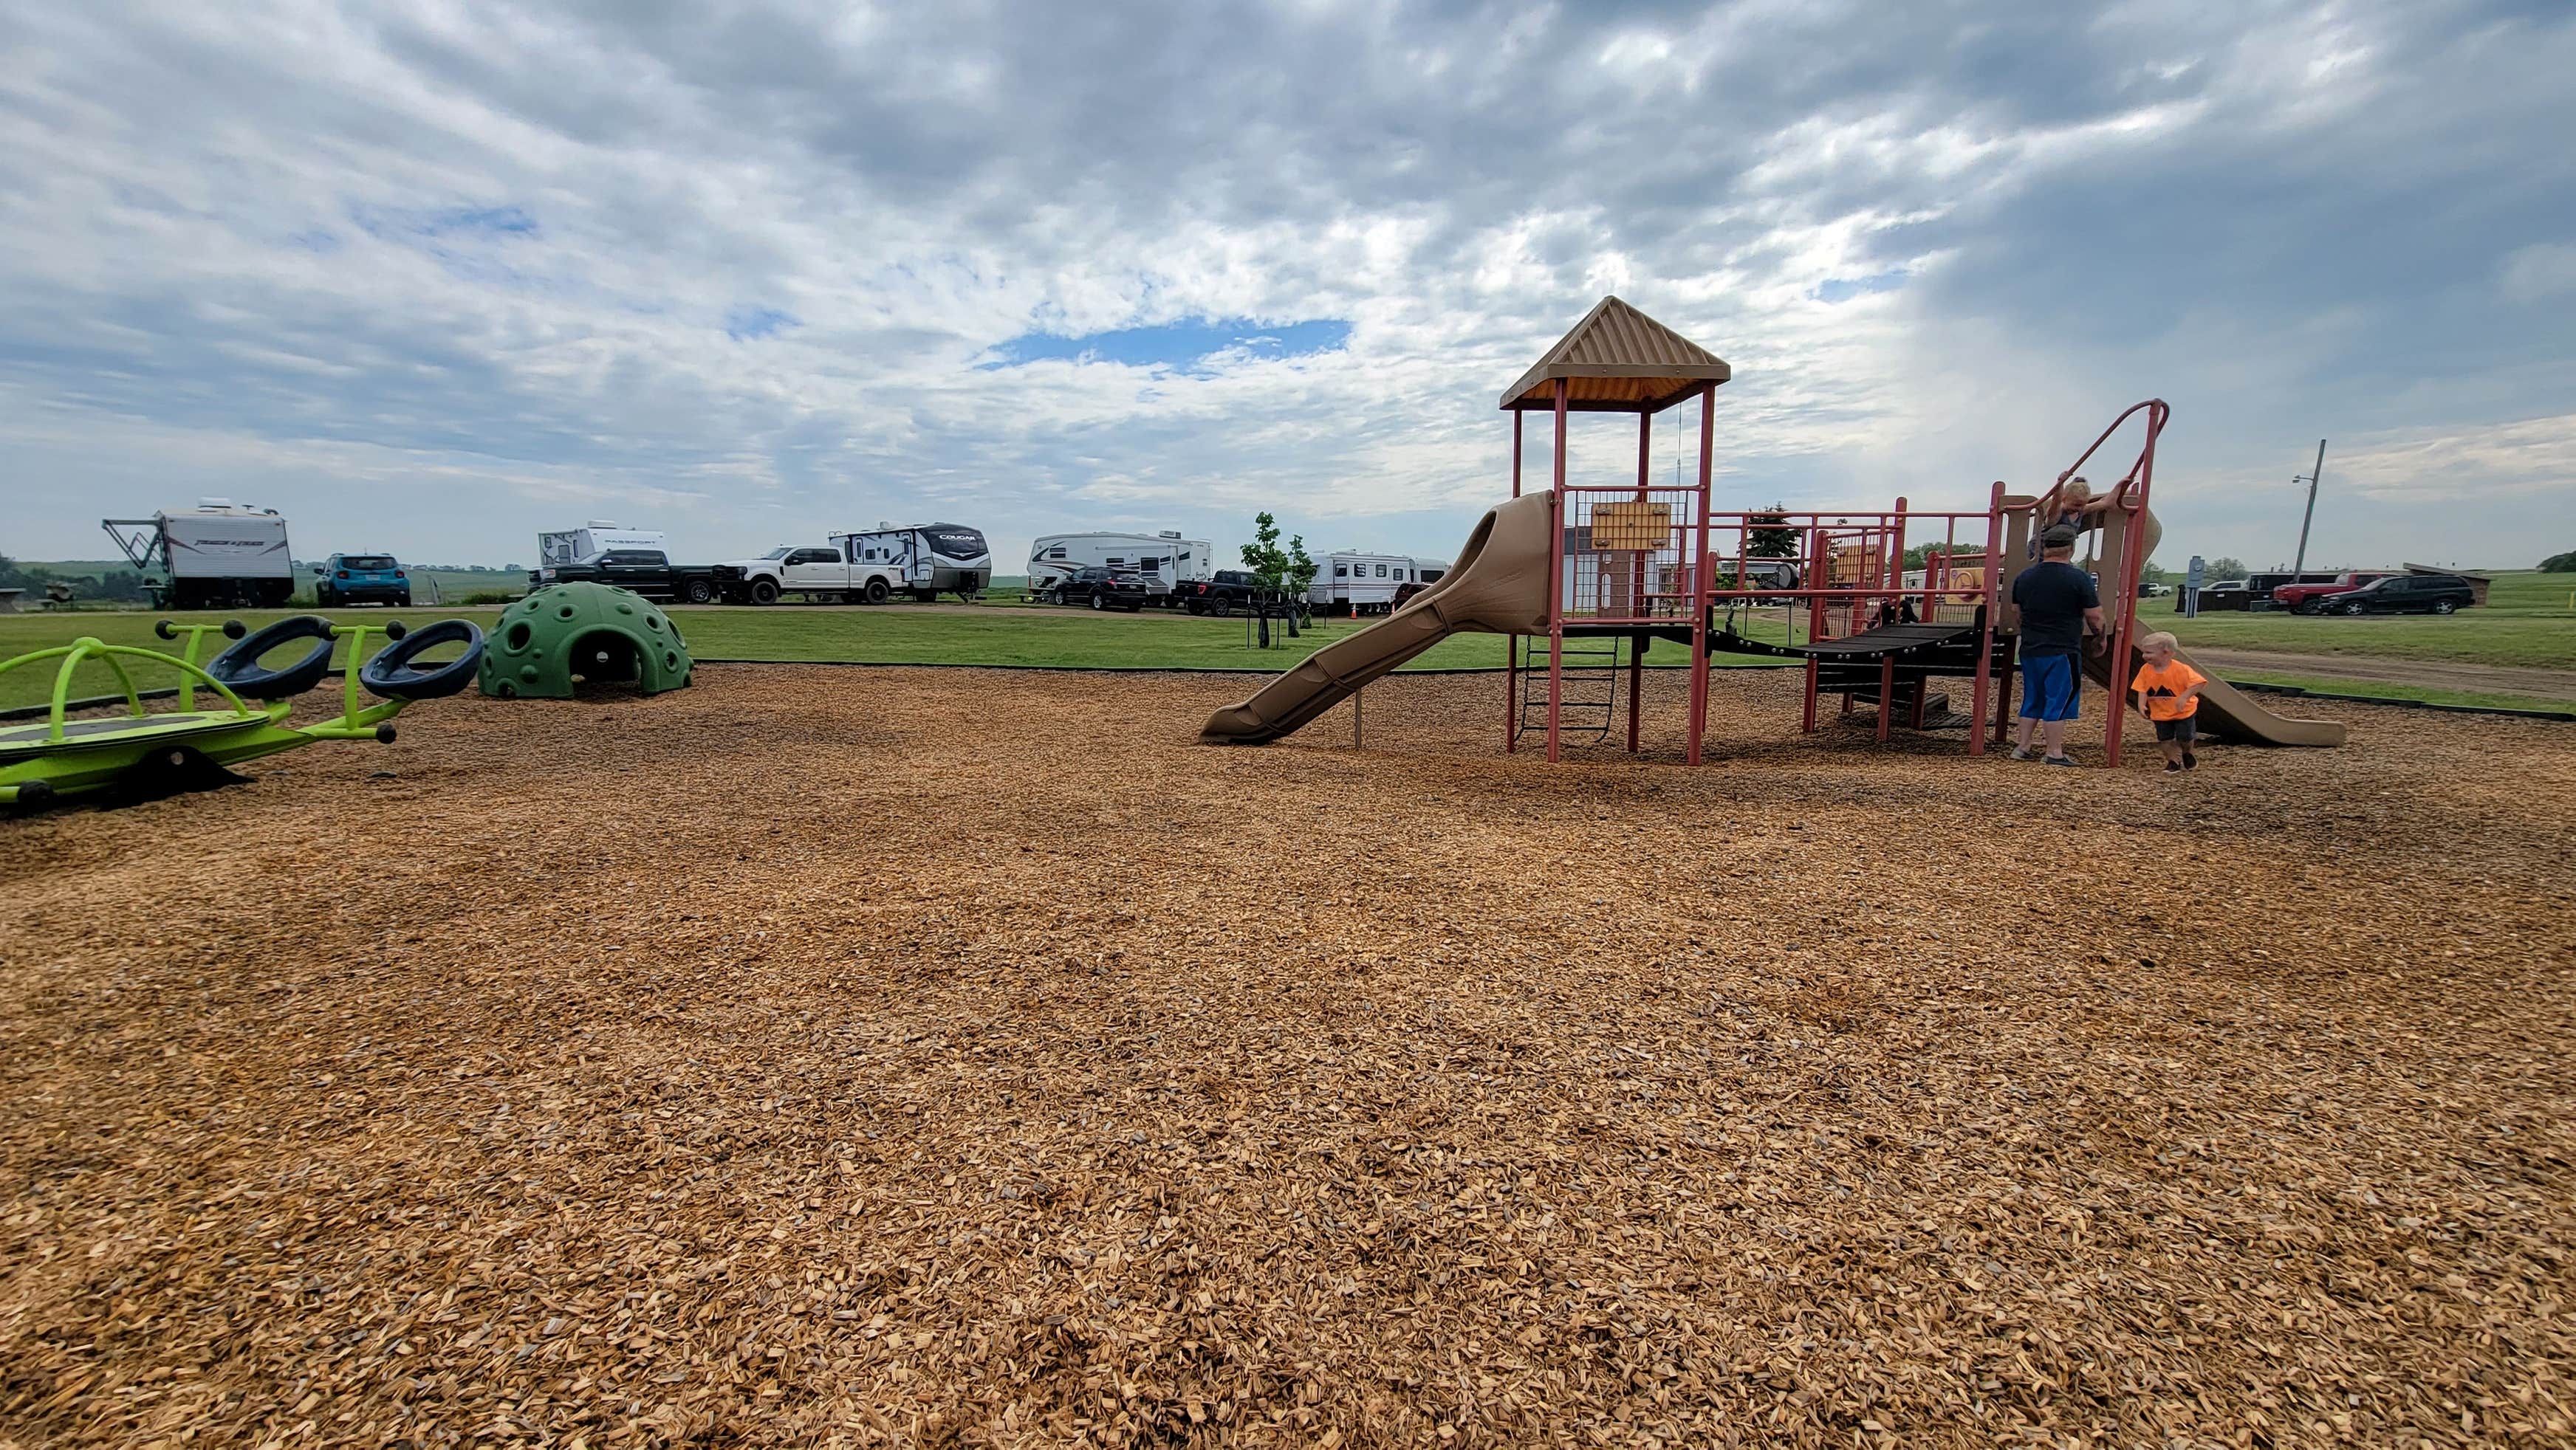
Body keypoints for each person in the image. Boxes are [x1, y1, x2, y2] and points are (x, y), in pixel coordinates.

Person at [2009, 523, 2105, 765]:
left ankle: (2022, 747)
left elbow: (2016, 612)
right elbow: (2094, 615)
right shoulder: (2079, 578)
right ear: (2071, 549)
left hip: (2031, 648)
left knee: (2033, 697)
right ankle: (2054, 752)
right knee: (2058, 699)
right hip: (2062, 648)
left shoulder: (2025, 577)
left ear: (2044, 548)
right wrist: (2099, 636)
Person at [2129, 630, 2207, 772]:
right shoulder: (2146, 670)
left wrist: (2184, 697)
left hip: (2183, 711)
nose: (2144, 656)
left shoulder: (2181, 669)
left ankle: (2187, 753)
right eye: (2144, 652)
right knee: (2165, 739)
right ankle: (2173, 762)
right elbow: (2142, 688)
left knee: (2185, 737)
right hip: (2161, 712)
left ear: (2167, 653)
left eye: (2149, 653)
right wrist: (2141, 704)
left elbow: (2199, 683)